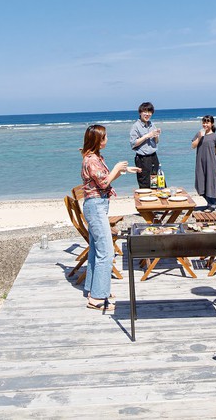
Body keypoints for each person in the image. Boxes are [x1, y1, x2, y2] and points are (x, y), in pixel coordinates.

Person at [79, 124, 136, 312]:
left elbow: (104, 182)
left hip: (97, 205)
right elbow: (104, 182)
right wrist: (116, 168)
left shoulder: (94, 158)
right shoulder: (91, 161)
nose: (106, 140)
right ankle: (97, 298)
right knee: (107, 252)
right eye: (104, 138)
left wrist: (123, 171)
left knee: (97, 250)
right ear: (96, 140)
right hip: (95, 207)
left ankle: (93, 289)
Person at [191, 115, 216, 209]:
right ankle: (209, 203)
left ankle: (212, 204)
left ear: (212, 124)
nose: (205, 124)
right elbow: (193, 146)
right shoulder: (199, 134)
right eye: (204, 122)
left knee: (211, 182)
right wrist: (200, 137)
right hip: (200, 163)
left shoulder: (215, 137)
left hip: (211, 163)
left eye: (207, 122)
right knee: (200, 182)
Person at [128, 102, 160, 189]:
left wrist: (156, 135)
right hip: (142, 159)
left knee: (157, 183)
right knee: (145, 184)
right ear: (140, 113)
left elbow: (156, 142)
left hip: (154, 156)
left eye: (149, 112)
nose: (147, 114)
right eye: (145, 112)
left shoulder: (152, 124)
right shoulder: (136, 126)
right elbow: (133, 143)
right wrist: (146, 136)